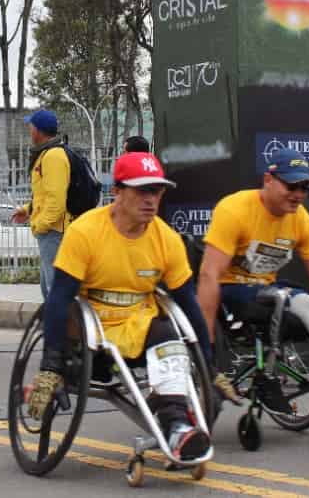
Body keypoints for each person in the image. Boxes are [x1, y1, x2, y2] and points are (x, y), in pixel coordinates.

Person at [26, 152, 214, 461]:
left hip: (140, 323)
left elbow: (188, 302)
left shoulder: (167, 239)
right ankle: (175, 423)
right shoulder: (86, 232)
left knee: (171, 337)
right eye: (142, 190)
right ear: (117, 191)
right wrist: (50, 365)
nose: (151, 199)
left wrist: (208, 363)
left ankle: (178, 426)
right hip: (91, 331)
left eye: (156, 190)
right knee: (70, 310)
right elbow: (59, 299)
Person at [197, 148, 309, 422]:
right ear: (268, 180)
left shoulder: (301, 219)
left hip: (269, 292)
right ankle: (266, 378)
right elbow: (209, 276)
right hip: (231, 293)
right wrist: (205, 341)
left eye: (305, 187)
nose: (298, 195)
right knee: (281, 297)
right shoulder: (234, 209)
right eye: (291, 186)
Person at [11, 110, 70, 299]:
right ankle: (54, 326)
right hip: (50, 232)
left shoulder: (53, 157)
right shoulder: (46, 154)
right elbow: (44, 195)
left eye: (31, 126)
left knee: (55, 292)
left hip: (54, 232)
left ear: (39, 130)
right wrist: (27, 210)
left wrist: (40, 225)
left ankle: (63, 327)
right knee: (48, 289)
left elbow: (57, 200)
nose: (29, 130)